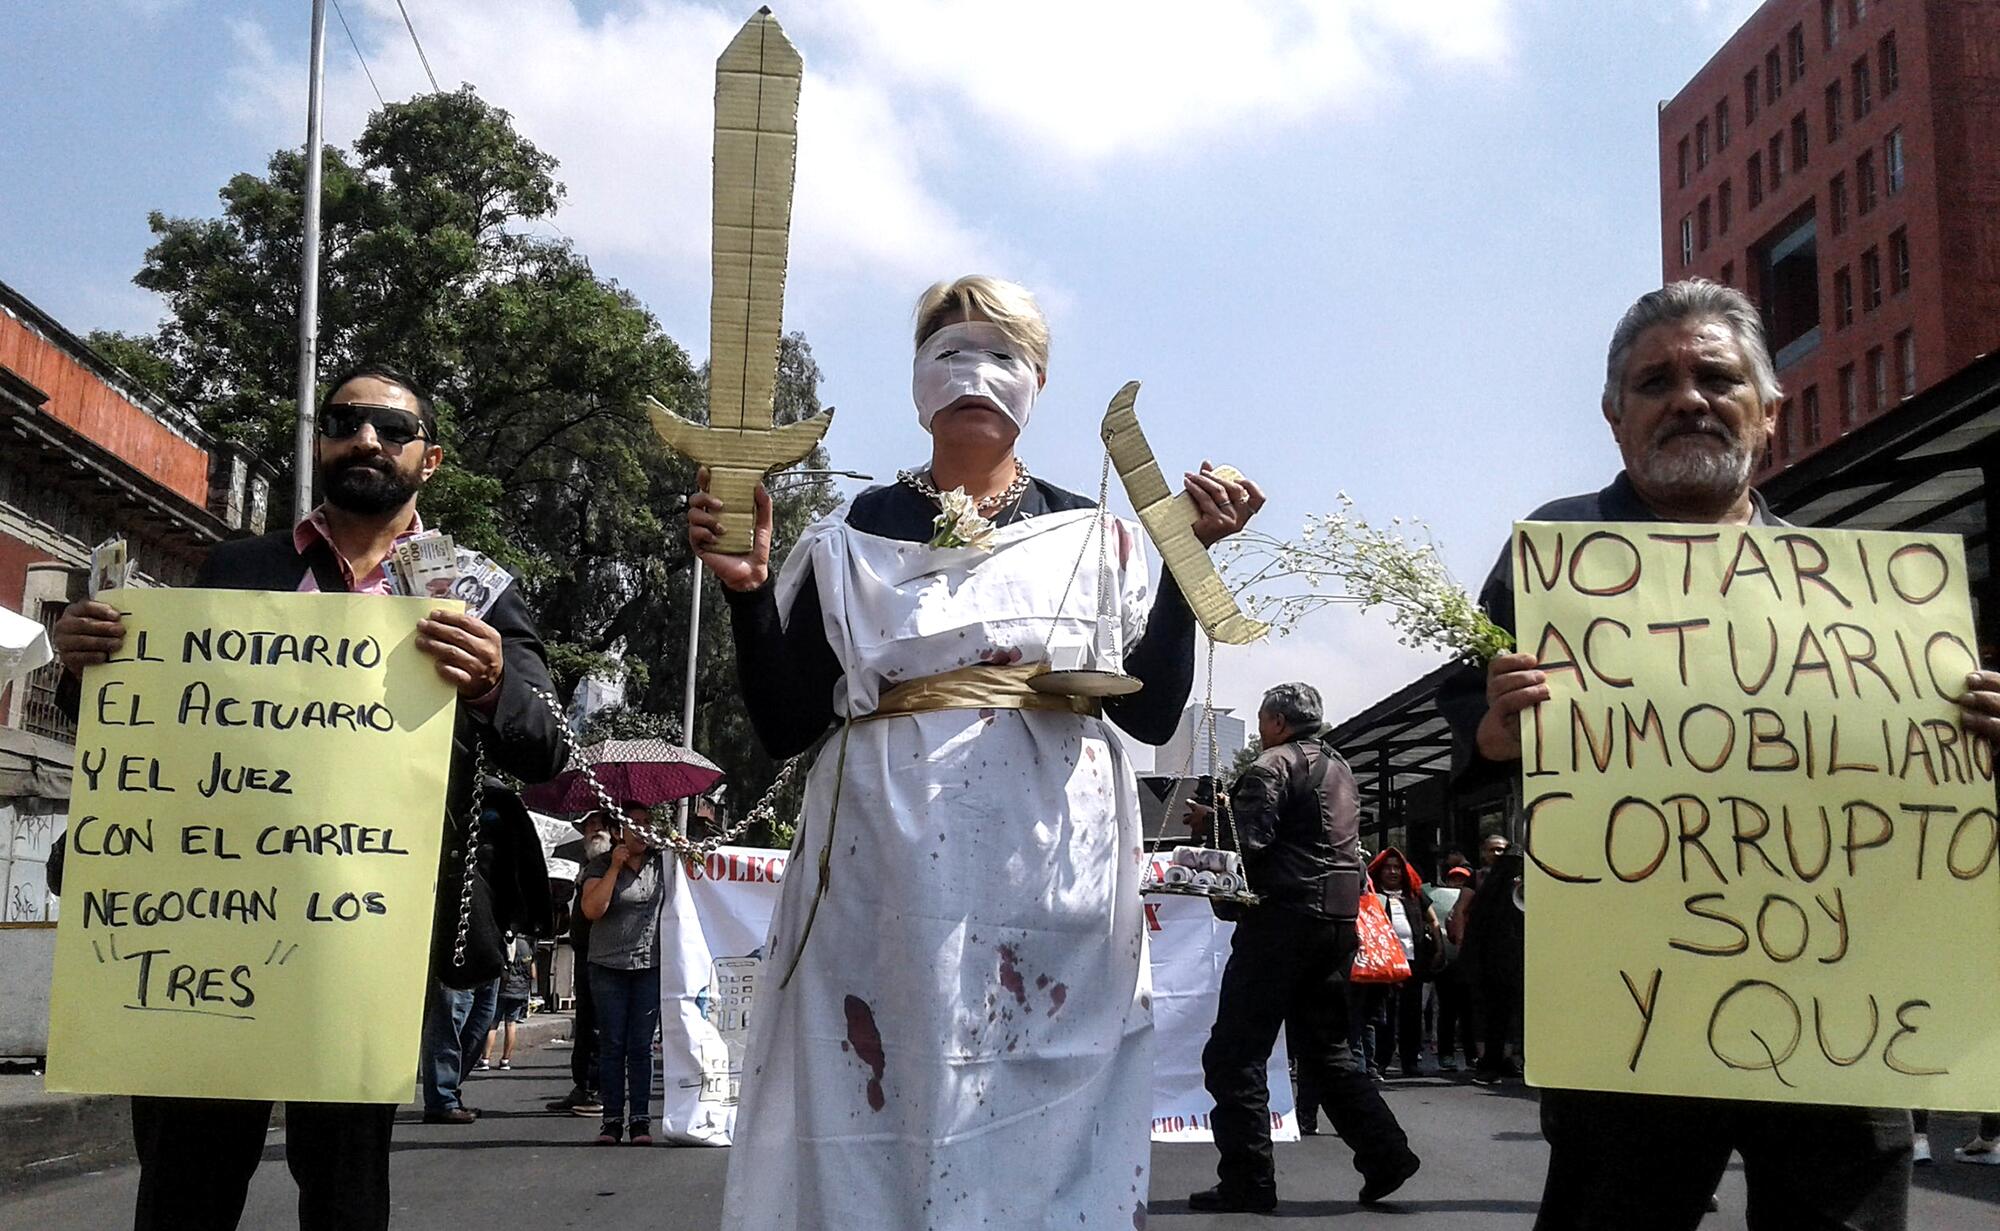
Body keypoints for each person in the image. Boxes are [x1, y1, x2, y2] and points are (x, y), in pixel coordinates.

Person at [690, 276, 1260, 1228]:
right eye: (952, 353)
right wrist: (749, 595)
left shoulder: (1098, 534)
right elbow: (788, 723)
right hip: (885, 857)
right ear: (916, 378)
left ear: (1038, 382)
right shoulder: (852, 532)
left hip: (1050, 863)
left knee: (1045, 1076)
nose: (976, 377)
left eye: (1004, 358)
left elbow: (1154, 713)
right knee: (882, 1070)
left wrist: (1187, 561)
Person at [1437, 279, 2000, 1229]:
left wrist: (1976, 730)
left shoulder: (1864, 601)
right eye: (1655, 381)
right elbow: (1468, 714)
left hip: (1837, 1003)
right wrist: (1495, 729)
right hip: (1632, 1005)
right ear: (1617, 420)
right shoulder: (1557, 553)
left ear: (1769, 413)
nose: (1687, 397)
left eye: (1716, 376)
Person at [49, 363, 564, 1230]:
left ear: (428, 460)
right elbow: (143, 714)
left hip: (364, 943)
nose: (367, 439)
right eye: (346, 421)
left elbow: (545, 739)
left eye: (392, 429)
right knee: (185, 1184)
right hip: (207, 923)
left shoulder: (474, 592)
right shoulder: (237, 567)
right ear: (321, 440)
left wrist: (492, 679)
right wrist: (82, 661)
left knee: (345, 1192)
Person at [1196, 682, 1420, 1211]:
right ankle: (1385, 1152)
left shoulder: (1270, 766)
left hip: (1281, 922)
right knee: (1328, 1051)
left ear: (1275, 721)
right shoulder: (1340, 767)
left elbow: (1247, 845)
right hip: (1337, 923)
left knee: (1235, 1054)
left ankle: (1249, 1180)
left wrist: (1212, 826)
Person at [578, 801, 666, 1146]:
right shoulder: (599, 865)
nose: (642, 829)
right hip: (608, 967)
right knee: (613, 1044)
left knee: (641, 1046)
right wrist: (615, 867)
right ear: (619, 831)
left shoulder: (662, 863)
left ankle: (641, 1122)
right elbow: (592, 910)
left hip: (648, 965)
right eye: (635, 823)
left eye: (647, 822)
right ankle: (612, 1121)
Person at [546, 810, 610, 1116]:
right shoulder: (584, 865)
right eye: (589, 827)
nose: (594, 831)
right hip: (583, 951)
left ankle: (595, 1089)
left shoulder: (613, 865)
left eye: (599, 826)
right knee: (584, 1024)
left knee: (597, 1024)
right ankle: (582, 1085)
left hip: (605, 955)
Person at [1361, 847, 1441, 1079]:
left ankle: (1410, 1060)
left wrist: (1438, 948)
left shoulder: (1414, 894)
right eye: (1388, 867)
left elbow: (1433, 920)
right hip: (1384, 964)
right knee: (1384, 1014)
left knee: (1412, 1012)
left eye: (1397, 867)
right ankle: (1381, 1060)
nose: (1393, 872)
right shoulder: (1372, 893)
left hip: (1412, 963)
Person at [1427, 864, 1474, 1073]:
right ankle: (1446, 1053)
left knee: (1470, 1011)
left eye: (1462, 880)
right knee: (1447, 1011)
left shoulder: (1476, 902)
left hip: (1470, 964)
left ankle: (1472, 1053)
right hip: (1448, 964)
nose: (1458, 883)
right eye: (1454, 879)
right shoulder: (1437, 899)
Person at [484, 932, 536, 1070]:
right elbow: (533, 974)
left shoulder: (502, 941)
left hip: (502, 989)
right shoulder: (527, 946)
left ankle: (485, 1059)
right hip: (519, 991)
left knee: (493, 1024)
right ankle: (505, 1060)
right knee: (511, 1024)